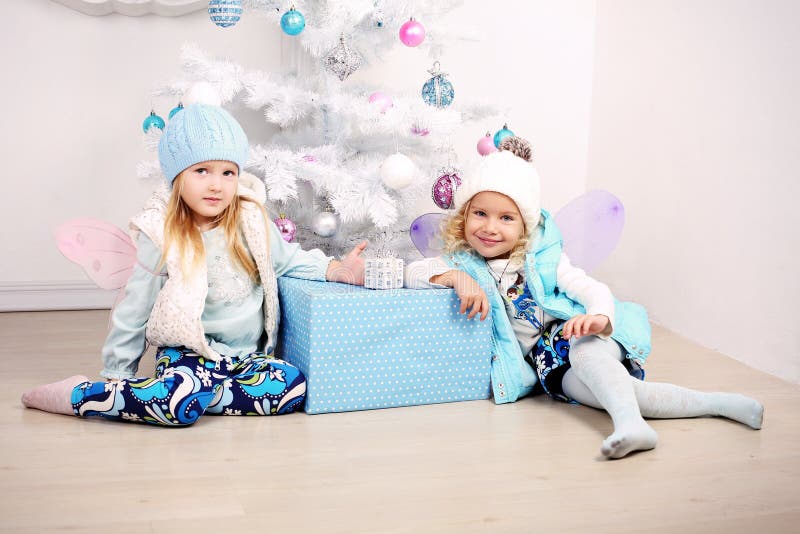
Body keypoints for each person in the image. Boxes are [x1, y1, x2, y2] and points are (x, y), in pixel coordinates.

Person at [404, 137, 763, 459]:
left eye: (506, 218)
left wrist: (600, 318)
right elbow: (412, 272)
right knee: (620, 394)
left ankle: (630, 426)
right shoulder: (463, 262)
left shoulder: (543, 259)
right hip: (549, 364)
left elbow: (593, 289)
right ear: (464, 216)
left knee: (588, 354)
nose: (490, 227)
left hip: (581, 332)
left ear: (524, 226)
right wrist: (454, 277)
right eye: (479, 213)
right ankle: (720, 404)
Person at [22, 104, 366, 426]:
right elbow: (135, 308)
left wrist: (336, 269)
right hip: (188, 355)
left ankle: (188, 398)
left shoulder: (250, 220)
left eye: (228, 172)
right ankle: (81, 395)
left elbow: (290, 259)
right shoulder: (161, 231)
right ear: (177, 177)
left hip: (244, 359)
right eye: (202, 171)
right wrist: (118, 373)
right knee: (177, 406)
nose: (216, 184)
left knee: (292, 386)